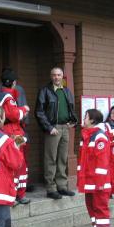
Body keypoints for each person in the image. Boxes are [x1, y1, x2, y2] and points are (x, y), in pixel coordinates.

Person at [35, 67, 78, 199]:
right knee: (51, 159)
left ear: (62, 76)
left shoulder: (66, 91)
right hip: (53, 129)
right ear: (51, 76)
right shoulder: (45, 91)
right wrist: (49, 127)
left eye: (59, 75)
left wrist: (73, 120)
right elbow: (39, 112)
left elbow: (71, 108)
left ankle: (62, 186)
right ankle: (51, 188)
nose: (56, 77)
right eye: (54, 75)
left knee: (62, 158)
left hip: (65, 128)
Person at [77, 109, 112, 227]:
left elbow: (102, 163)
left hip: (98, 184)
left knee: (100, 211)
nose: (83, 119)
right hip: (90, 183)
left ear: (92, 120)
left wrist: (100, 184)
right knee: (92, 209)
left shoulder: (99, 138)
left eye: (85, 117)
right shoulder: (88, 136)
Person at [0, 69, 30, 205]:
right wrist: (25, 109)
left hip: (11, 131)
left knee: (18, 165)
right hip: (13, 132)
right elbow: (14, 115)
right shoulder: (8, 97)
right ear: (14, 83)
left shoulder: (2, 95)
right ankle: (15, 195)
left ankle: (17, 194)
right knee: (17, 165)